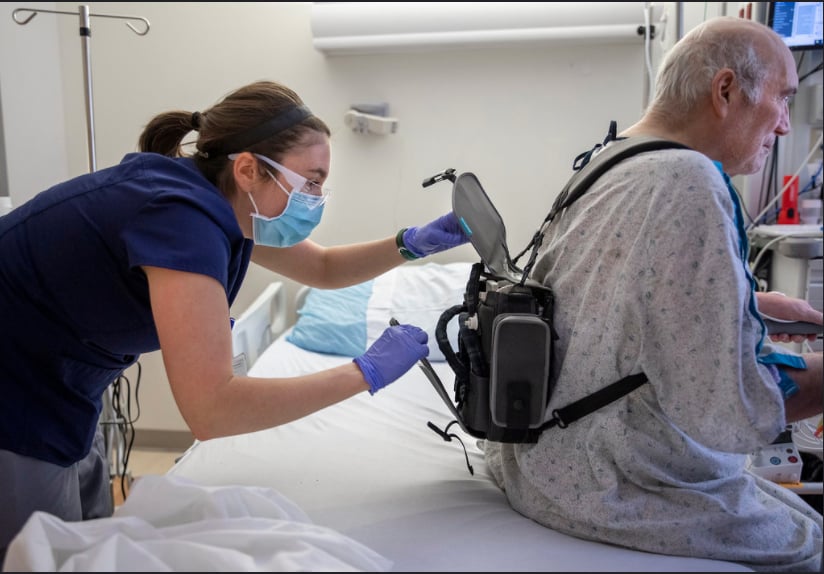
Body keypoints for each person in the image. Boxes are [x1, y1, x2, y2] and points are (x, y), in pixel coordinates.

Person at [0, 80, 469, 563]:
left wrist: (410, 243)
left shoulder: (219, 203)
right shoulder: (181, 217)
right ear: (248, 168)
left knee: (84, 538)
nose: (318, 196)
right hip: (17, 391)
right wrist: (362, 373)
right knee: (37, 555)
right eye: (311, 180)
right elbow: (211, 409)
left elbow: (323, 268)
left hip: (62, 383)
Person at [484, 17, 822, 572]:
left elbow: (604, 298)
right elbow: (730, 407)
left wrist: (747, 303)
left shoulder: (608, 161)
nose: (785, 124)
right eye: (784, 99)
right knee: (810, 547)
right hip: (615, 484)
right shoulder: (690, 180)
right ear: (727, 91)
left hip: (541, 463)